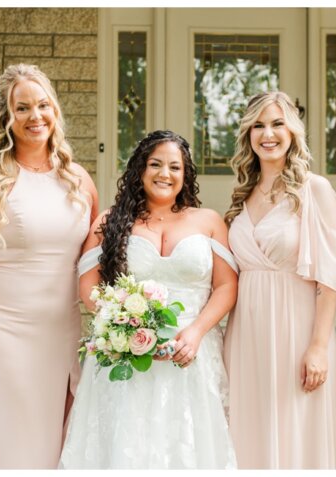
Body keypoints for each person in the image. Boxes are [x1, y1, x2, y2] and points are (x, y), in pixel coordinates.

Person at [59, 130, 239, 469]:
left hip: (190, 355)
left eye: (175, 167)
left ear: (186, 175)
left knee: (185, 449)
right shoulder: (110, 222)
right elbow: (88, 286)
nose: (164, 174)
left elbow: (227, 286)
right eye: (155, 164)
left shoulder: (209, 221)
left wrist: (197, 331)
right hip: (126, 355)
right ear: (139, 170)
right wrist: (124, 324)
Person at [0, 63, 98, 469]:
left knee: (55, 440)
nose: (36, 117)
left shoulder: (79, 180)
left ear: (55, 110)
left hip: (59, 331)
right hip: (1, 330)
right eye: (23, 108)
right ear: (6, 117)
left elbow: (95, 258)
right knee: (6, 442)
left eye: (44, 105)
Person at [222, 91, 336, 468]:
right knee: (246, 430)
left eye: (277, 123)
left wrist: (320, 347)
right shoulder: (243, 194)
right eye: (258, 125)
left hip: (296, 328)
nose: (267, 133)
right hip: (246, 333)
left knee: (296, 430)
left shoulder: (314, 190)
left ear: (292, 131)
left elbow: (329, 276)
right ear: (248, 135)